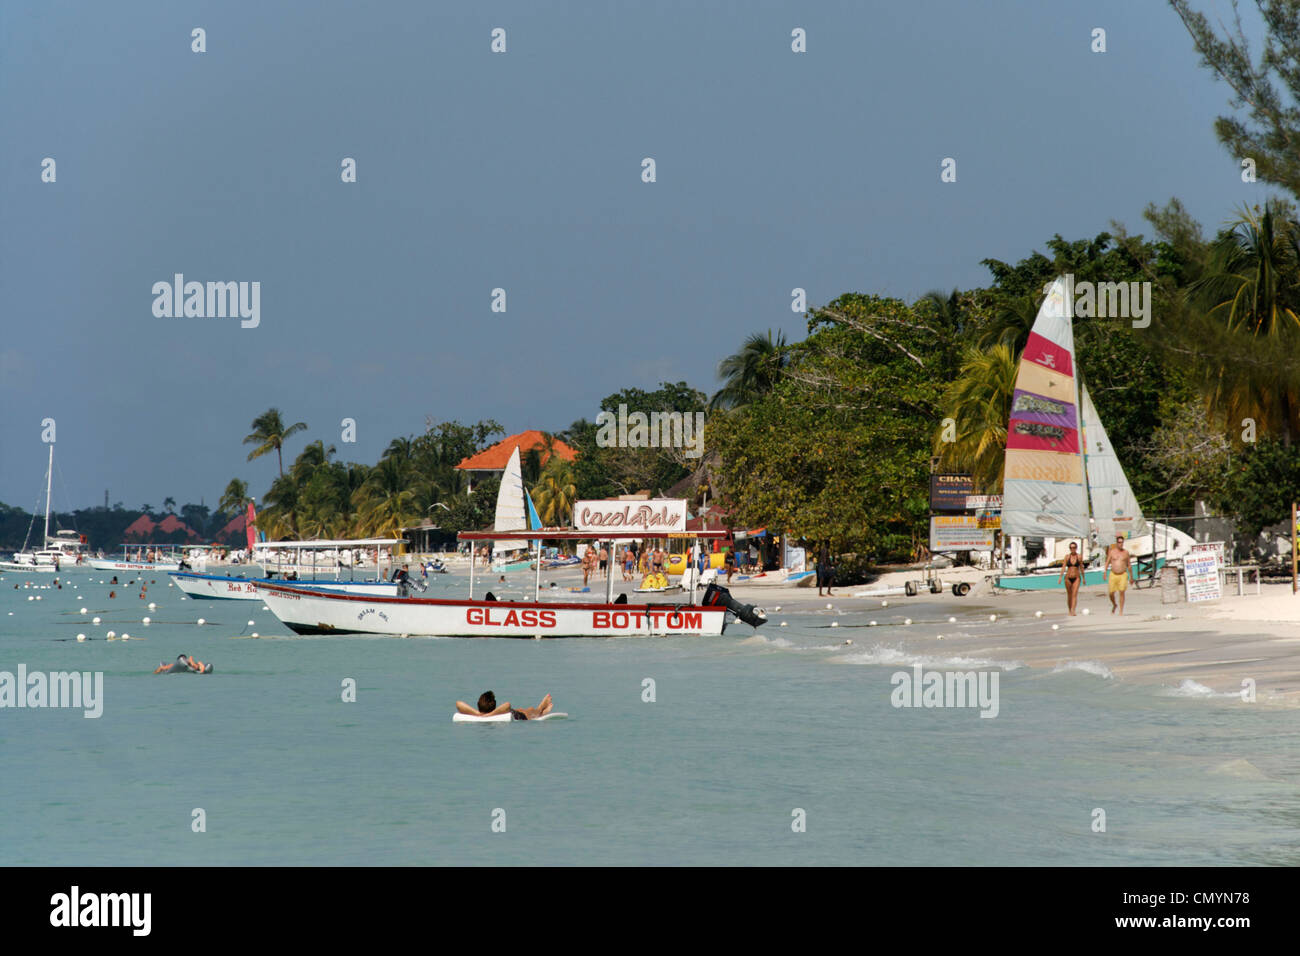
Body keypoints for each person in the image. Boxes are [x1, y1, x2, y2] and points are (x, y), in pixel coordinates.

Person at [456, 690, 555, 721]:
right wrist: (479, 714)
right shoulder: (480, 714)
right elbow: (507, 705)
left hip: (509, 712)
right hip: (518, 715)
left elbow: (458, 704)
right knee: (531, 710)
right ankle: (541, 708)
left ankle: (542, 710)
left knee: (520, 709)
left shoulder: (482, 714)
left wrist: (482, 714)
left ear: (478, 704)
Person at [1105, 534, 1134, 614]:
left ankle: (1121, 610)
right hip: (1113, 574)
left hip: (1123, 574)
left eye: (1122, 542)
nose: (1120, 544)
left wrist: (1131, 577)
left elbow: (1129, 565)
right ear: (1116, 543)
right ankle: (1114, 604)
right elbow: (1107, 562)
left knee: (1121, 591)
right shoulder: (1112, 552)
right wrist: (1104, 572)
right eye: (1119, 542)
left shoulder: (1126, 553)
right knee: (1111, 593)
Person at [1058, 541, 1083, 615]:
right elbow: (1063, 567)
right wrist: (1060, 577)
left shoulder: (1079, 556)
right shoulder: (1067, 557)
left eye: (1074, 547)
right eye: (1071, 548)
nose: (1073, 549)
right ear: (1069, 548)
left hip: (1077, 577)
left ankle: (1073, 610)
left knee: (1074, 594)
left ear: (1076, 548)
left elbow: (1081, 567)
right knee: (1069, 595)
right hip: (1068, 578)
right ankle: (1069, 610)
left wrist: (1084, 578)